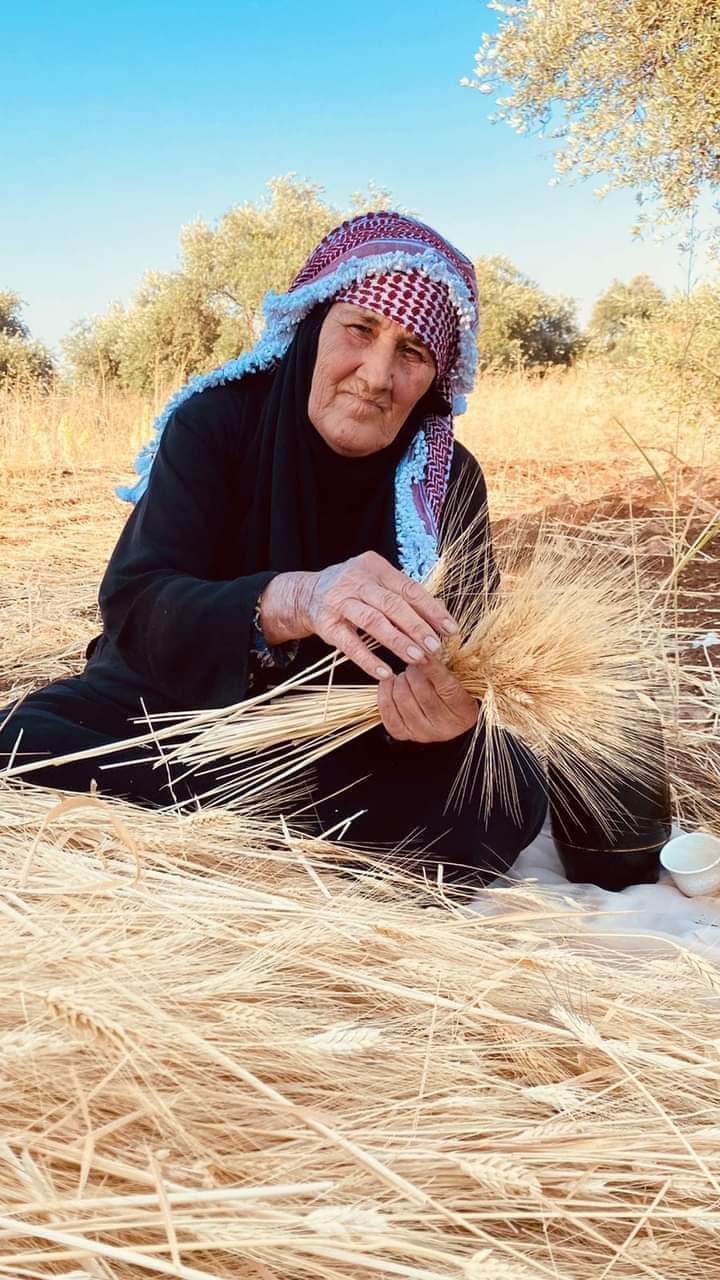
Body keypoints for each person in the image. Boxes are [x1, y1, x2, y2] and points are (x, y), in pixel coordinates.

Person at [0, 212, 547, 885]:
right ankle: (281, 848)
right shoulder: (215, 424)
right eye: (361, 330)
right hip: (170, 713)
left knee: (507, 795)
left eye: (411, 353)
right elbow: (137, 608)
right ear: (315, 328)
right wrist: (293, 599)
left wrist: (452, 710)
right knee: (28, 743)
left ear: (432, 378)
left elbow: (472, 651)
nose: (377, 376)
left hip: (348, 741)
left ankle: (230, 841)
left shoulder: (448, 476)